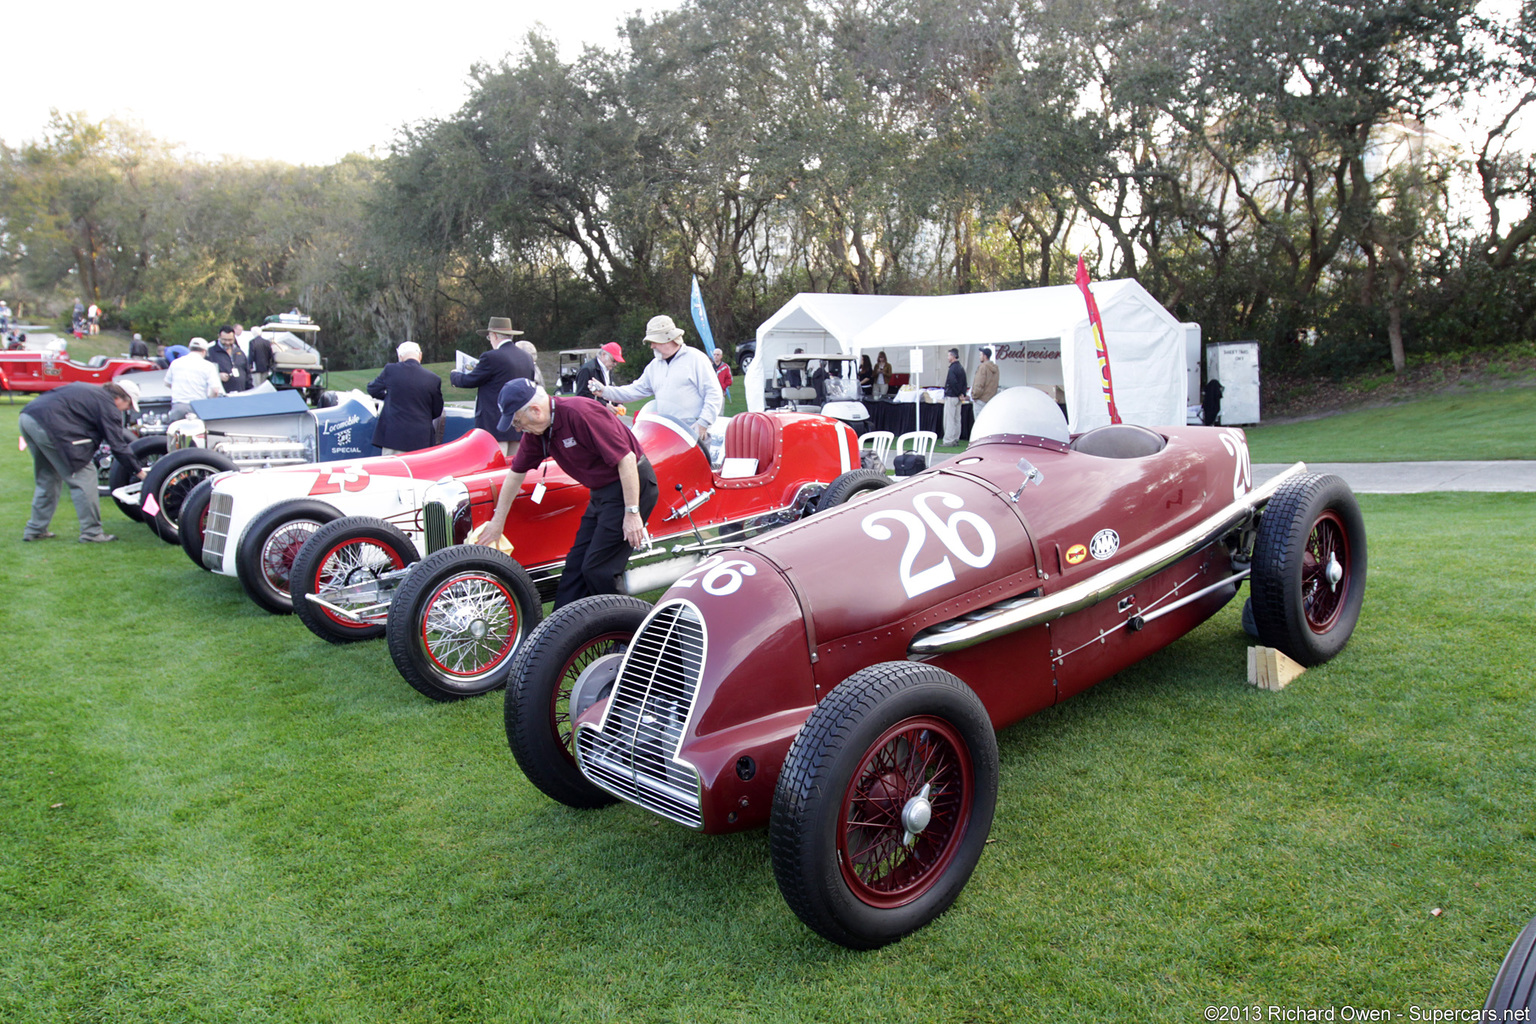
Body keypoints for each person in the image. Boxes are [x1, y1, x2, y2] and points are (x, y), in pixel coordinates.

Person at [478, 379, 659, 609]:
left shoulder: (580, 413)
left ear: (535, 410)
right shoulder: (538, 432)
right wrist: (497, 522)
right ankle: (557, 635)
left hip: (631, 486)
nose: (517, 429)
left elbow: (627, 459)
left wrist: (632, 513)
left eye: (517, 421)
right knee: (575, 567)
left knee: (598, 569)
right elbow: (515, 474)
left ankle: (633, 632)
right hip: (602, 492)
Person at [18, 380, 145, 543]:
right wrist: (140, 473)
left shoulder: (93, 392)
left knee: (48, 476)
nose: (127, 410)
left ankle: (35, 529)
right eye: (128, 406)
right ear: (120, 398)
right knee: (84, 475)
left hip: (28, 417)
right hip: (49, 425)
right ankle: (92, 533)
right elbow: (118, 446)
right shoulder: (108, 406)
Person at [588, 315, 721, 441]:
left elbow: (714, 393)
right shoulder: (654, 366)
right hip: (667, 434)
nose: (652, 346)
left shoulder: (696, 359)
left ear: (668, 338)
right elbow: (633, 391)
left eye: (654, 341)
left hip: (695, 433)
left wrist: (703, 423)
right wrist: (605, 391)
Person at [450, 316, 537, 458]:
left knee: (493, 466)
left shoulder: (491, 357)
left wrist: (455, 375)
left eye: (489, 337)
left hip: (494, 423)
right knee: (513, 467)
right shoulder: (526, 357)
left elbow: (469, 380)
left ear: (494, 335)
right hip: (519, 423)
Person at [367, 342, 444, 454]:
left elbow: (373, 389)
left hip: (394, 438)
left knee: (392, 470)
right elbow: (437, 411)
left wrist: (389, 397)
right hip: (422, 440)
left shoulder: (391, 370)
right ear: (420, 356)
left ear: (400, 356)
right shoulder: (433, 379)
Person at [164, 338, 225, 420]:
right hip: (199, 407)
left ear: (189, 348)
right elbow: (215, 390)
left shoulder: (175, 363)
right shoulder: (208, 366)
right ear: (204, 351)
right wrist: (210, 400)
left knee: (177, 430)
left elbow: (167, 383)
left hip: (179, 406)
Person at [208, 325, 250, 393]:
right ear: (219, 337)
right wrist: (218, 376)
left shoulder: (239, 352)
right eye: (224, 340)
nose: (227, 343)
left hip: (240, 394)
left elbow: (247, 374)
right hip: (221, 396)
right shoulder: (210, 353)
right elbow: (204, 374)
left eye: (230, 340)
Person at [942, 347, 967, 446]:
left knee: (949, 419)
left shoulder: (952, 368)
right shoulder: (961, 367)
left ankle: (948, 440)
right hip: (958, 397)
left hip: (952, 396)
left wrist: (957, 393)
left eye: (948, 355)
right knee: (957, 419)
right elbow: (964, 382)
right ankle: (956, 438)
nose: (948, 357)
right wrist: (962, 394)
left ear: (952, 356)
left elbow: (952, 382)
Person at [971, 346, 999, 418]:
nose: (979, 357)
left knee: (978, 424)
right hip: (990, 399)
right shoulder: (995, 368)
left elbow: (979, 384)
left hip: (981, 399)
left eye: (980, 355)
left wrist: (974, 396)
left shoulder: (983, 367)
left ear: (985, 356)